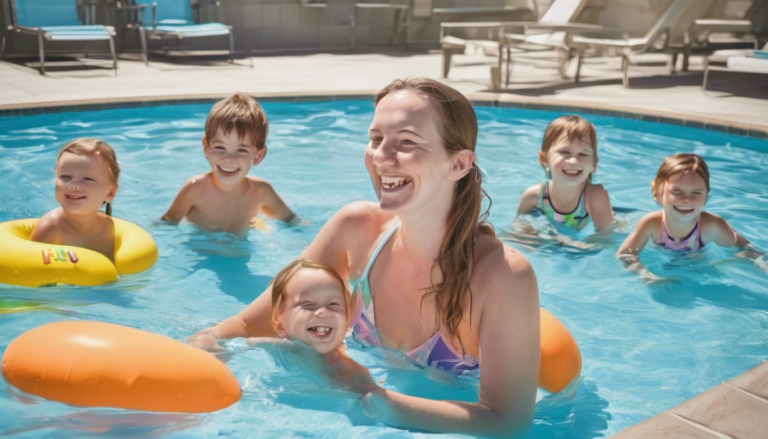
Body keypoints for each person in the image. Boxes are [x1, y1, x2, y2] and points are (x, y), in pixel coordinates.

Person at [189, 78, 540, 437]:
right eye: (375, 139)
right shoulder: (355, 229)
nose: (381, 157)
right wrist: (204, 345)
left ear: (458, 163)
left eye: (406, 142)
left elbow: (507, 422)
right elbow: (250, 324)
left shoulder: (502, 277)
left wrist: (369, 396)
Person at [616, 153, 766, 282]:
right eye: (677, 191)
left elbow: (746, 248)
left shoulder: (713, 226)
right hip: (657, 247)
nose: (686, 200)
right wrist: (646, 274)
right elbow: (624, 254)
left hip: (693, 261)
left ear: (706, 196)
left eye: (696, 193)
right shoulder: (651, 223)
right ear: (657, 192)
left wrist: (761, 263)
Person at [162, 93, 299, 233]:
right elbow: (166, 226)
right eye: (220, 148)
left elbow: (293, 222)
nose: (229, 158)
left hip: (243, 253)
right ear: (207, 147)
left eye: (241, 150)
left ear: (258, 155)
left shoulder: (260, 191)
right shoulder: (195, 189)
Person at [248, 259, 373, 384]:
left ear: (347, 321)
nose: (323, 312)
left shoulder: (357, 374)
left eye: (334, 304)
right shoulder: (279, 348)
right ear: (280, 324)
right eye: (308, 305)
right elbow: (244, 343)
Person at [515, 115, 614, 233]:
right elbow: (518, 225)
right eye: (564, 152)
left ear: (593, 164)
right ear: (544, 159)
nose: (573, 161)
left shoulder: (594, 197)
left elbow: (607, 237)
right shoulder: (533, 196)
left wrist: (574, 246)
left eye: (583, 154)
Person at [30, 138, 120, 261]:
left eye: (87, 179)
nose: (73, 185)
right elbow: (32, 268)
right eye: (65, 176)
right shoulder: (50, 227)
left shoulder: (108, 227)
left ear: (110, 193)